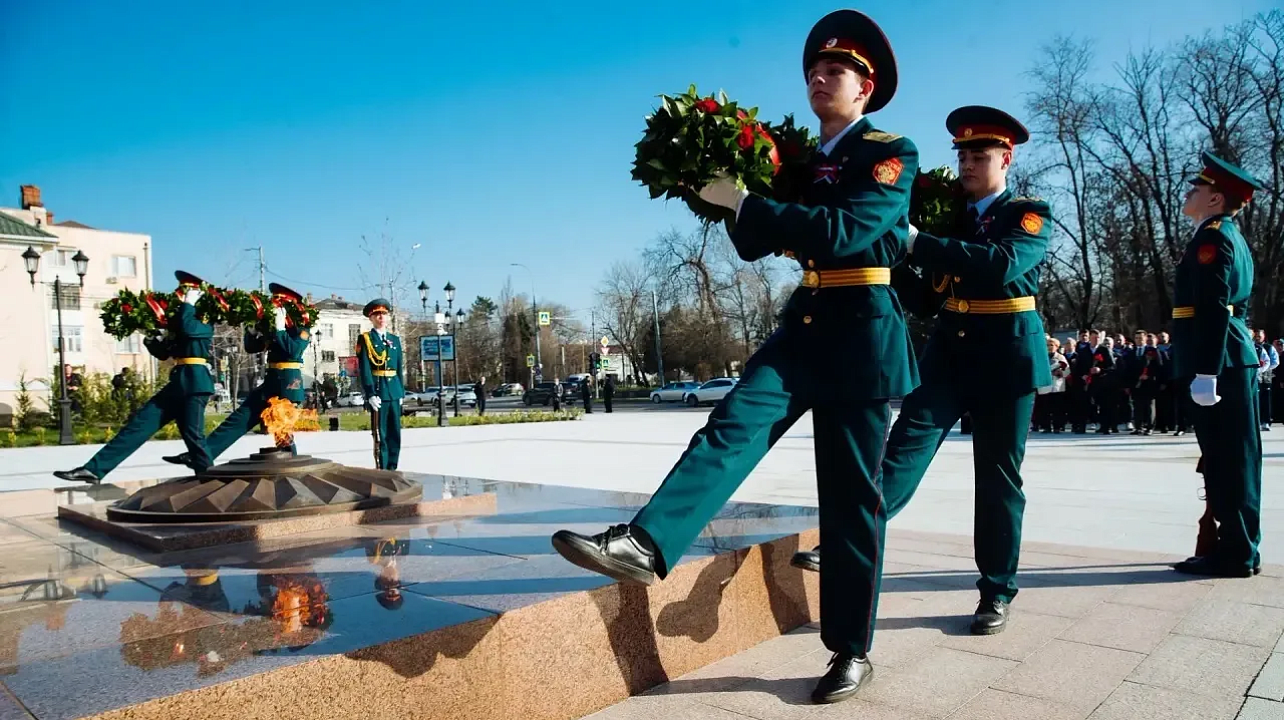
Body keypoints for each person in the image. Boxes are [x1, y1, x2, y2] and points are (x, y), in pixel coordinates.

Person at [549, 9, 917, 704]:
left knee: (850, 503)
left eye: (836, 69)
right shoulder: (804, 160)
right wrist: (725, 196)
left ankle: (850, 648)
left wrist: (753, 204)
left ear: (865, 89)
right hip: (805, 324)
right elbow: (754, 242)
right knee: (730, 424)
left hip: (863, 333)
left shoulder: (888, 152)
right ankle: (647, 544)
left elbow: (848, 230)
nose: (820, 75)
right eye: (814, 67)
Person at [792, 105, 1053, 638]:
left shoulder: (1027, 214)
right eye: (962, 155)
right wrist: (884, 256)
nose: (968, 165)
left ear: (1007, 158)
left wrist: (916, 242)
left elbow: (1000, 264)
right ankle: (848, 540)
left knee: (999, 479)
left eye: (979, 155)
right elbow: (926, 297)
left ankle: (996, 591)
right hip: (950, 350)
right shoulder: (947, 218)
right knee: (903, 450)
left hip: (1007, 357)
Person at [1169, 151, 1264, 578]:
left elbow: (1212, 308)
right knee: (1232, 456)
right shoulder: (1225, 235)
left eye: (1197, 189)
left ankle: (1237, 553)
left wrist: (1206, 371)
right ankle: (1239, 547)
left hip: (1220, 361)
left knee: (1228, 459)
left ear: (1215, 199)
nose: (1189, 194)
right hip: (1229, 357)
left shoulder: (1213, 238)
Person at [54, 271, 215, 484]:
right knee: (138, 425)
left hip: (195, 384)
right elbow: (165, 353)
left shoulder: (204, 324)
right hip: (178, 383)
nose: (181, 296)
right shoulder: (181, 324)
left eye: (187, 292)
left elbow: (187, 327)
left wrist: (189, 305)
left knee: (194, 437)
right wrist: (150, 336)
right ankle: (94, 469)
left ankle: (212, 479)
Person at [161, 283, 311, 466]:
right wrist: (253, 331)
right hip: (272, 380)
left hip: (289, 382)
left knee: (282, 431)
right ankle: (200, 454)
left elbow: (293, 350)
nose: (276, 305)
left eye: (280, 301)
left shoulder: (302, 328)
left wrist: (280, 329)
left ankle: (293, 468)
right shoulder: (274, 326)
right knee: (239, 419)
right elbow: (252, 348)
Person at [356, 298, 405, 470]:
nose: (381, 317)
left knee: (395, 434)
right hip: (378, 392)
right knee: (381, 435)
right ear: (371, 318)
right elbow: (365, 369)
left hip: (394, 392)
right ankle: (383, 470)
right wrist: (370, 393)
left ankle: (393, 468)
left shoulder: (394, 340)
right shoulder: (366, 339)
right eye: (377, 314)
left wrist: (401, 392)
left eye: (384, 314)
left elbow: (399, 367)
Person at [1256, 329, 1277, 431]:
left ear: (1264, 336)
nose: (1257, 338)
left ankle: (1266, 421)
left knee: (1266, 399)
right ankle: (1258, 420)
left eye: (1259, 336)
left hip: (1266, 376)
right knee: (1257, 398)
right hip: (1256, 377)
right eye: (1256, 336)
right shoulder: (1252, 346)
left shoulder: (1269, 348)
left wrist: (1266, 369)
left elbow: (1275, 361)